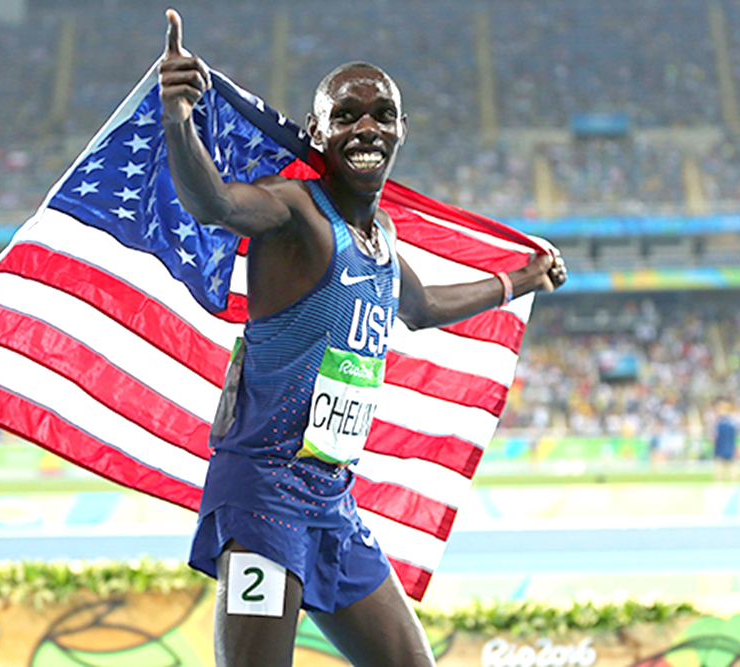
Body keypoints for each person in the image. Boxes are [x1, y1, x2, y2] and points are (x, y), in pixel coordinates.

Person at [159, 10, 566, 666]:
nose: (366, 127)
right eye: (346, 116)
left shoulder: (379, 243)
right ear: (317, 134)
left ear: (402, 129)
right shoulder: (294, 211)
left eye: (382, 114)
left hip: (330, 500)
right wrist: (179, 119)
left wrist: (523, 278)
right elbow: (216, 205)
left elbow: (424, 305)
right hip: (262, 496)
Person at [712, 400, 738, 482]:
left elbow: (717, 438)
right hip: (730, 449)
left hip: (721, 449)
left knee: (719, 472)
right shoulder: (732, 422)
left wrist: (716, 450)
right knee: (733, 471)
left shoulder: (721, 423)